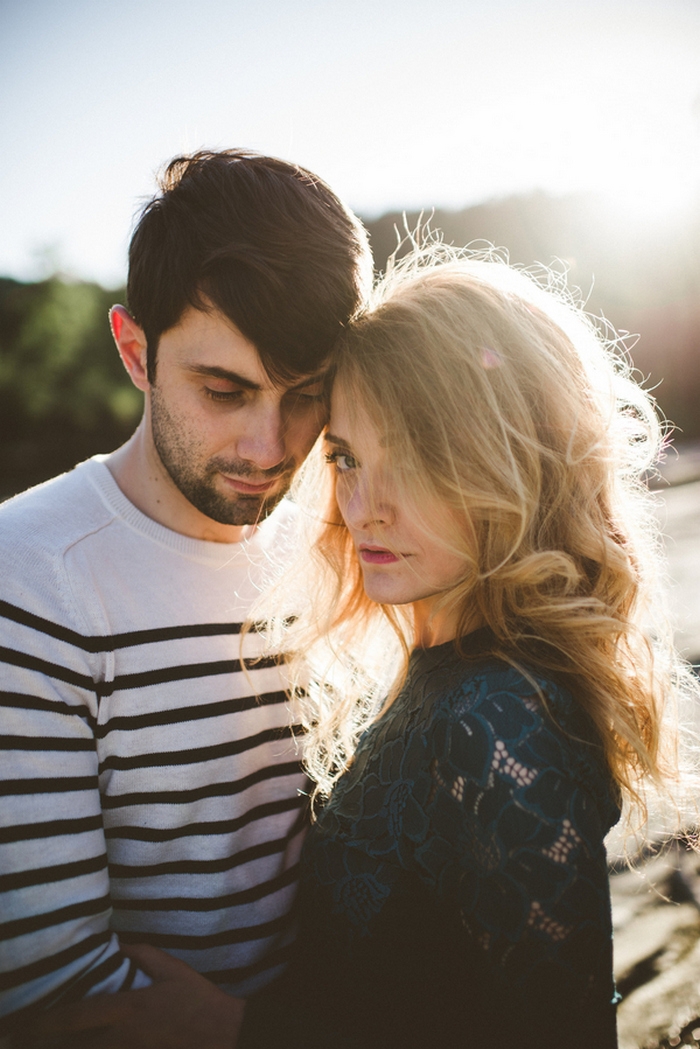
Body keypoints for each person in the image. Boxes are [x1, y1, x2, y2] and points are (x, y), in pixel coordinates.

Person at [239, 249, 696, 1049]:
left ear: (508, 459)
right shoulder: (440, 673)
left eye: (413, 455)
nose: (362, 507)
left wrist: (231, 1030)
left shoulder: (498, 716)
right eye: (347, 456)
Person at [0, 148, 372, 1046]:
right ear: (136, 351)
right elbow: (61, 989)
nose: (267, 446)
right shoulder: (30, 578)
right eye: (225, 390)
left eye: (305, 396)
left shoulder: (342, 537)